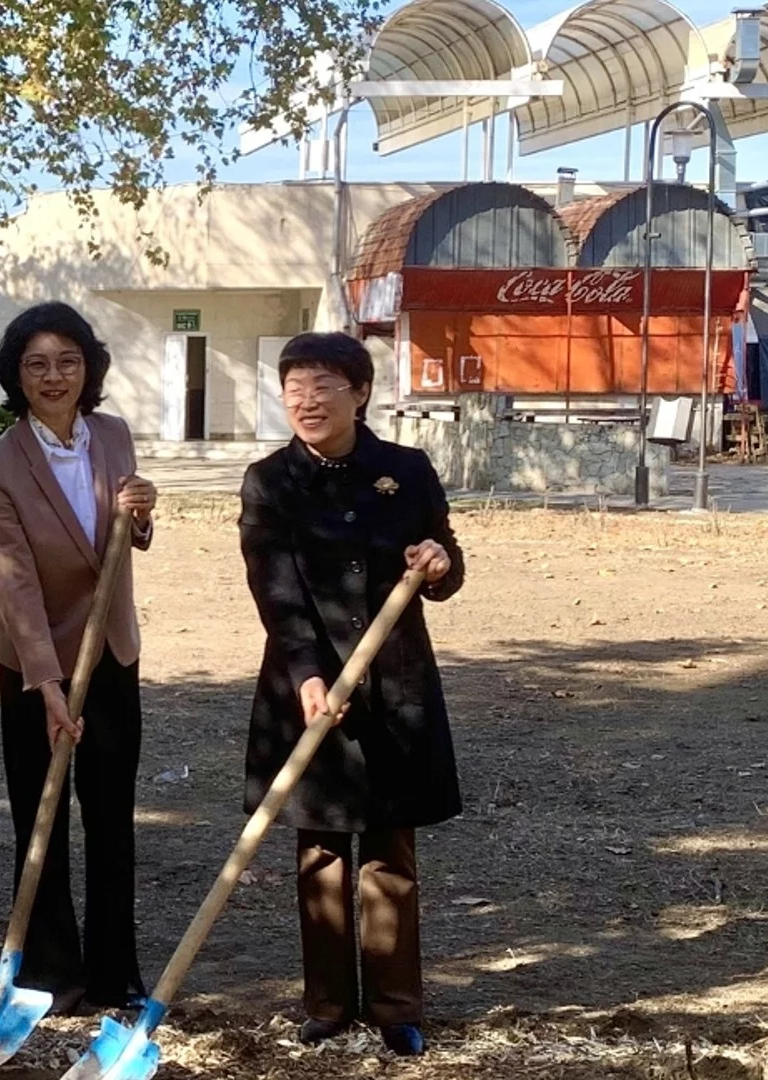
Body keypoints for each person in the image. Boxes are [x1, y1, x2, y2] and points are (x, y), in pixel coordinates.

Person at [237, 331, 463, 1057]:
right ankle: (329, 1004)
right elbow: (274, 590)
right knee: (322, 850)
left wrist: (438, 561)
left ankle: (398, 1006)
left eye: (324, 386)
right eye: (294, 387)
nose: (307, 400)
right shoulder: (269, 481)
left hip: (393, 681)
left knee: (390, 849)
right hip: (306, 683)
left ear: (360, 393)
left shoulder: (406, 470)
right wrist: (307, 672)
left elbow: (446, 559)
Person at [0, 301, 157, 1016]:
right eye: (37, 364)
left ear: (89, 367)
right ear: (16, 376)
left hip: (110, 652)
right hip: (31, 662)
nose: (54, 376)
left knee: (110, 814)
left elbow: (125, 535)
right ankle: (52, 971)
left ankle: (116, 972)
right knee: (40, 815)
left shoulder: (112, 435)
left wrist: (139, 513)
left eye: (68, 361)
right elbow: (13, 580)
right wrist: (45, 684)